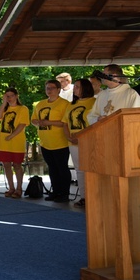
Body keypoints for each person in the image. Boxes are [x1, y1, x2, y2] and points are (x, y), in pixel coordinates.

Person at [32, 80, 71, 202]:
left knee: (62, 168)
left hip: (60, 142)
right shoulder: (40, 104)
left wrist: (49, 122)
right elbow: (33, 119)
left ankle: (64, 194)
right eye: (47, 88)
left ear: (59, 89)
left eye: (52, 88)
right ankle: (55, 191)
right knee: (52, 168)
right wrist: (37, 122)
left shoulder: (65, 104)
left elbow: (66, 123)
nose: (49, 90)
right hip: (45, 142)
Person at [61, 79, 96, 208]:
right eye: (74, 86)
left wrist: (82, 137)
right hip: (73, 142)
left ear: (85, 88)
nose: (74, 89)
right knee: (79, 170)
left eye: (77, 87)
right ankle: (84, 197)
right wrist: (68, 136)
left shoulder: (94, 102)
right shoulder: (71, 105)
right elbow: (65, 123)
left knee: (91, 169)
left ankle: (94, 196)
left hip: (89, 141)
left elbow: (97, 122)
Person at [0, 88, 29, 198]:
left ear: (16, 96)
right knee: (6, 165)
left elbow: (22, 124)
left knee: (17, 165)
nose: (9, 98)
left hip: (16, 141)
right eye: (7, 96)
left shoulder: (23, 109)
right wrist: (4, 103)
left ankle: (19, 188)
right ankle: (11, 187)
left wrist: (12, 135)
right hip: (3, 142)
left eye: (11, 96)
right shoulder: (5, 108)